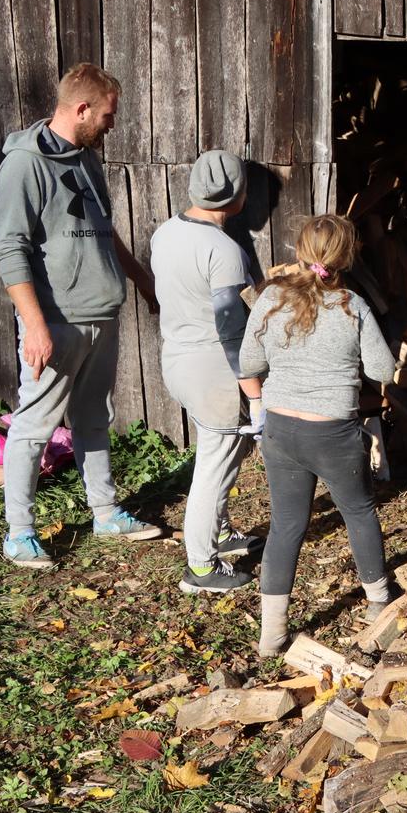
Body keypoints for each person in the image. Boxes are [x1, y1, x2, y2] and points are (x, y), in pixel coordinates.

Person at [0, 63, 162, 570]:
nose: (112, 125)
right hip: (58, 320)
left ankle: (105, 512)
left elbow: (103, 230)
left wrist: (141, 279)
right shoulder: (25, 165)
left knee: (93, 417)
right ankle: (19, 533)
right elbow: (9, 247)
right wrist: (36, 325)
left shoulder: (85, 159)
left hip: (101, 314)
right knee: (34, 423)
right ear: (81, 108)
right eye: (107, 115)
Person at [238, 215, 397, 656]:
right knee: (360, 512)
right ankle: (378, 604)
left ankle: (271, 635)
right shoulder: (353, 306)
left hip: (282, 429)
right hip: (333, 431)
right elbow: (382, 371)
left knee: (286, 526)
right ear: (347, 257)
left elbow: (248, 363)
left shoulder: (270, 299)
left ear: (299, 253)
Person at [150, 150, 265, 594]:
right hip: (212, 367)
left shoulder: (167, 232)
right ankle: (200, 567)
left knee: (227, 452)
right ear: (237, 196)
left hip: (176, 356)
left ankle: (217, 531)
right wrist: (254, 394)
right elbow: (231, 330)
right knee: (213, 466)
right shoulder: (224, 250)